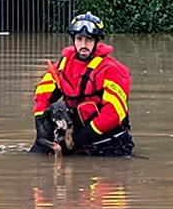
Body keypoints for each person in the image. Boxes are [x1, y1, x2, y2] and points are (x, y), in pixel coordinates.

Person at [31, 12, 133, 157]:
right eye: (79, 39)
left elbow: (113, 114)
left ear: (97, 41)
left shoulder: (112, 70)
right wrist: (41, 126)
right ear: (73, 39)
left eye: (89, 40)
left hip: (108, 144)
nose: (83, 45)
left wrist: (79, 139)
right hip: (74, 138)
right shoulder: (62, 65)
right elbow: (42, 96)